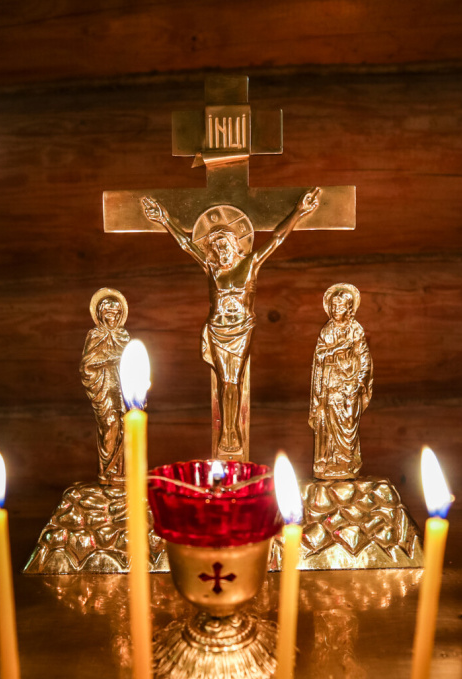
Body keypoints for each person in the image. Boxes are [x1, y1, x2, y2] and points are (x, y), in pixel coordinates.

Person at [141, 189, 321, 456]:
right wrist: (164, 219)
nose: (220, 251)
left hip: (240, 330)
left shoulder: (251, 264)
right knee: (225, 380)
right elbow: (186, 245)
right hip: (217, 330)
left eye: (224, 245)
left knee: (232, 381)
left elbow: (277, 239)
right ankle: (228, 429)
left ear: (235, 244)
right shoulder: (212, 270)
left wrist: (299, 211)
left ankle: (231, 429)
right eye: (215, 248)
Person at [310, 283, 373, 479]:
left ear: (349, 308)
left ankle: (347, 463)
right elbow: (319, 356)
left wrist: (359, 381)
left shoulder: (356, 330)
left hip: (349, 386)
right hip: (330, 385)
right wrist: (336, 350)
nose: (336, 310)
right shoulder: (327, 330)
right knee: (327, 424)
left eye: (341, 306)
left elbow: (364, 357)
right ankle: (328, 462)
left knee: (348, 424)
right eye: (333, 306)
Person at [80, 288, 130, 483]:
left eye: (116, 313)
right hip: (104, 391)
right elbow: (86, 365)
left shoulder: (123, 335)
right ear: (101, 314)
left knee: (126, 427)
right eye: (109, 313)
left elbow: (132, 363)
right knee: (109, 426)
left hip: (122, 390)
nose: (113, 318)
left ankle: (120, 473)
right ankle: (107, 472)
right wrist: (111, 359)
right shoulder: (95, 335)